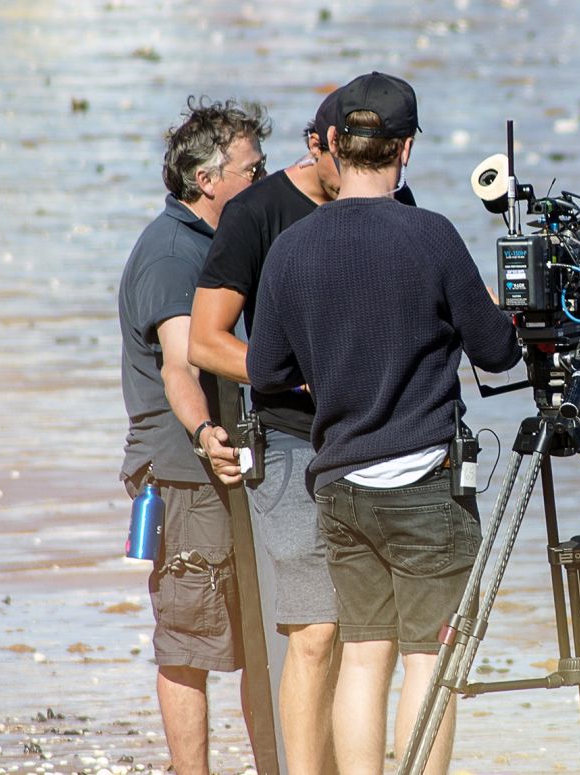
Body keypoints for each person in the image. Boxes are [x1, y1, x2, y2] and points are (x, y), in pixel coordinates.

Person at [246, 71, 521, 775]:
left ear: (334, 143)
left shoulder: (292, 248)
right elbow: (497, 350)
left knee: (364, 652)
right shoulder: (430, 234)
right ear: (405, 151)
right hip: (422, 481)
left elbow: (267, 370)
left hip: (338, 483)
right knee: (430, 654)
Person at [187, 88, 346, 775]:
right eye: (355, 157)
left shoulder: (383, 198)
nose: (374, 175)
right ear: (318, 145)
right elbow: (203, 342)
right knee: (313, 631)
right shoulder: (256, 212)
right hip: (290, 444)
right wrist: (288, 374)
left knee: (376, 636)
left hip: (376, 444)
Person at [117, 96, 269, 775]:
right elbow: (183, 362)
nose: (262, 180)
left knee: (260, 640)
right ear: (207, 180)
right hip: (185, 471)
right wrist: (207, 428)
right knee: (190, 644)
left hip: (228, 464)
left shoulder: (217, 241)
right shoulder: (172, 253)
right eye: (252, 169)